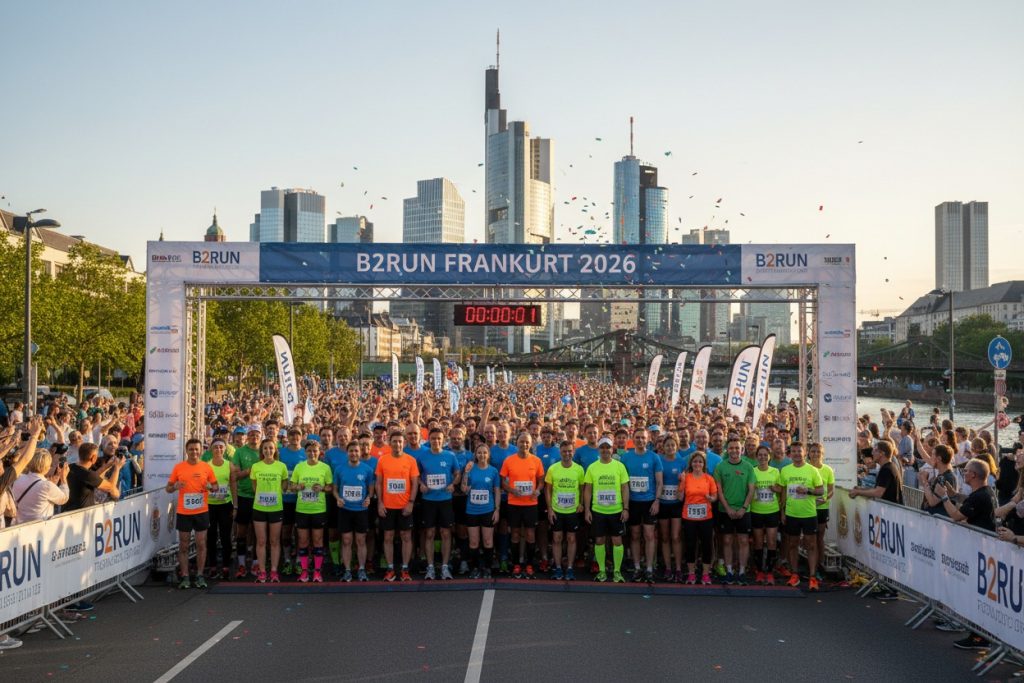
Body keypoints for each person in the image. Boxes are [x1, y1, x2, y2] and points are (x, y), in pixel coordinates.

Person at [936, 458, 997, 651]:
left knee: (979, 595)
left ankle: (980, 636)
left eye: (966, 471)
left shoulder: (980, 495)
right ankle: (977, 633)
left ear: (974, 475)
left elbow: (956, 516)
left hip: (982, 552)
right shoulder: (983, 492)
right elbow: (970, 503)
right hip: (980, 551)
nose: (963, 473)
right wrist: (956, 495)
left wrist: (944, 497)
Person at [166, 438, 219, 589]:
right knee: (184, 545)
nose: (194, 452)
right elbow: (168, 488)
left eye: (197, 449)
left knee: (201, 544)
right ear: (186, 451)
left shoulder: (206, 468)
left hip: (201, 512)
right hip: (184, 512)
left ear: (201, 451)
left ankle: (200, 575)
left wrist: (211, 486)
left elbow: (216, 486)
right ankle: (185, 576)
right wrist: (175, 486)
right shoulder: (179, 467)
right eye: (191, 449)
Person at [778, 442, 825, 591]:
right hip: (792, 514)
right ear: (790, 454)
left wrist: (808, 491)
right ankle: (795, 574)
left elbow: (820, 491)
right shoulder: (785, 471)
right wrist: (782, 511)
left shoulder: (812, 470)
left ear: (804, 453)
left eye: (799, 451)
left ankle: (812, 577)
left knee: (811, 545)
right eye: (794, 451)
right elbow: (783, 491)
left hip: (809, 514)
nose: (797, 454)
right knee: (792, 544)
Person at [583, 437, 630, 583]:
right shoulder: (592, 467)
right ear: (599, 449)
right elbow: (588, 490)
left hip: (616, 510)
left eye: (607, 447)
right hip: (598, 510)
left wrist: (626, 508)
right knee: (599, 541)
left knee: (617, 541)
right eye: (602, 447)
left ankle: (616, 571)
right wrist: (587, 510)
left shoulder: (619, 466)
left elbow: (624, 488)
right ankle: (602, 571)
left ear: (612, 449)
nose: (605, 450)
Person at [416, 428, 460, 580]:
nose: (436, 441)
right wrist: (421, 484)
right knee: (429, 533)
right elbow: (416, 476)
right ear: (429, 439)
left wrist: (453, 484)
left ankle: (445, 567)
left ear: (443, 439)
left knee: (446, 533)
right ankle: (430, 567)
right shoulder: (422, 456)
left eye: (439, 438)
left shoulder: (450, 455)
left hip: (445, 500)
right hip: (428, 501)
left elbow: (457, 474)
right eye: (433, 438)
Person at [375, 432, 420, 582]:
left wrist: (411, 503)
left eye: (400, 442)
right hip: (387, 506)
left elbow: (414, 484)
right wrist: (380, 503)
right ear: (389, 442)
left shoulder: (411, 460)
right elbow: (379, 483)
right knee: (387, 537)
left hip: (405, 506)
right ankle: (390, 569)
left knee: (406, 537)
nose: (397, 444)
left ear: (404, 443)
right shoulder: (382, 460)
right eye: (394, 441)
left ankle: (405, 569)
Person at [500, 432, 545, 578]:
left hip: (531, 504)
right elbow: (502, 481)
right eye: (521, 442)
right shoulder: (509, 460)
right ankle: (516, 564)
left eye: (527, 442)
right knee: (515, 534)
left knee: (531, 534)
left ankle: (530, 564)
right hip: (514, 503)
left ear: (531, 444)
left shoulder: (536, 461)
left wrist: (538, 490)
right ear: (517, 442)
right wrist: (512, 490)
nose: (524, 444)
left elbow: (541, 480)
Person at [622, 428, 663, 582]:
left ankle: (649, 569)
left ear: (647, 440)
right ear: (632, 439)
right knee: (634, 535)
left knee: (649, 535)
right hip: (632, 502)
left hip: (649, 502)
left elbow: (659, 482)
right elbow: (623, 483)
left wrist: (657, 500)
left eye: (643, 438)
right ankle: (637, 567)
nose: (640, 440)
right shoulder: (626, 457)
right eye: (637, 437)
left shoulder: (654, 457)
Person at [713, 437, 756, 585]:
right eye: (731, 448)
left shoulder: (748, 467)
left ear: (741, 449)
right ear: (727, 449)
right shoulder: (720, 467)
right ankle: (729, 570)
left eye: (737, 448)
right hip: (725, 511)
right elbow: (719, 491)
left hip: (744, 510)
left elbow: (751, 490)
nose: (734, 451)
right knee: (727, 540)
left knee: (743, 541)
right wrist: (728, 508)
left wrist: (744, 508)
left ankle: (742, 572)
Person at [290, 439, 333, 583]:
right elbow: (291, 485)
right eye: (309, 451)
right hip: (302, 509)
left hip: (318, 510)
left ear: (319, 452)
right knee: (303, 541)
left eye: (315, 451)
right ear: (305, 452)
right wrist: (297, 487)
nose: (312, 453)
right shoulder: (299, 467)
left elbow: (330, 487)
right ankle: (304, 571)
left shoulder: (325, 468)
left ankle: (317, 572)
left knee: (317, 541)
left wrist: (322, 488)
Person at [334, 440, 375, 582]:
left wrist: (369, 498)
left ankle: (362, 569)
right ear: (347, 453)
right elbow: (334, 488)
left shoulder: (367, 470)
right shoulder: (339, 469)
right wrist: (338, 498)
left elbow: (371, 490)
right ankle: (347, 571)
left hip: (361, 510)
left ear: (360, 452)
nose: (354, 453)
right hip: (345, 509)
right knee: (346, 541)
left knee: (361, 540)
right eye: (351, 451)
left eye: (356, 451)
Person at [545, 439, 585, 580]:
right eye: (564, 451)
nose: (567, 454)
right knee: (556, 539)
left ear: (573, 452)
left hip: (573, 511)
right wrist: (550, 509)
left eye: (569, 451)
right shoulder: (553, 469)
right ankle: (557, 567)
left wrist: (581, 503)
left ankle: (569, 568)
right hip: (557, 510)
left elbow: (582, 488)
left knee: (571, 538)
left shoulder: (579, 469)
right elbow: (548, 490)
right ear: (560, 452)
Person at [251, 438, 289, 583]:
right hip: (259, 508)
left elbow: (285, 482)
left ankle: (273, 571)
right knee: (261, 541)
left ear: (275, 450)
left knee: (274, 541)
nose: (268, 451)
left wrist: (279, 491)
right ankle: (262, 571)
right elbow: (254, 485)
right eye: (265, 448)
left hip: (276, 508)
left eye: (271, 448)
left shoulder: (281, 466)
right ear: (262, 451)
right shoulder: (256, 466)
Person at [462, 444, 501, 578]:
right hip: (472, 511)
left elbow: (497, 491)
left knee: (488, 541)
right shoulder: (470, 469)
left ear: (488, 455)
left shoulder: (493, 471)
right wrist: (466, 473)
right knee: (473, 542)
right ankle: (474, 568)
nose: (482, 455)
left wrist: (497, 510)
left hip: (488, 510)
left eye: (484, 453)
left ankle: (487, 568)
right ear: (476, 455)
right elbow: (463, 489)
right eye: (479, 453)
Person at [230, 426, 263, 578]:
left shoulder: (265, 450)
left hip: (261, 497)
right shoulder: (240, 452)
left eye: (256, 434)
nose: (254, 437)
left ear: (260, 435)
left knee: (258, 533)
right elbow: (234, 476)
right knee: (241, 532)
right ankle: (242, 564)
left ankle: (256, 563)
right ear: (247, 437)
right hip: (244, 496)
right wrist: (250, 471)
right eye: (251, 434)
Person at [203, 438, 235, 580]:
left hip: (225, 505)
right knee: (210, 536)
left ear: (225, 449)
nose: (218, 450)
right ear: (211, 449)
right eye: (216, 447)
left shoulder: (230, 465)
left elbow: (234, 486)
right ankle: (213, 566)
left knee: (225, 536)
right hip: (210, 506)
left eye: (221, 447)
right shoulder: (206, 466)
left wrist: (236, 506)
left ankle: (226, 566)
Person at [750, 445, 782, 584]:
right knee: (757, 542)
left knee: (771, 541)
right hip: (756, 511)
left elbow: (781, 488)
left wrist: (775, 488)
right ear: (756, 456)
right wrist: (754, 488)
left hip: (772, 511)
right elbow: (747, 488)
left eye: (765, 455)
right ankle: (759, 571)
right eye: (760, 455)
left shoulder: (775, 471)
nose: (762, 457)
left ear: (769, 457)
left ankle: (769, 571)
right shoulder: (752, 471)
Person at [657, 435, 685, 582]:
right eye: (667, 445)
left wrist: (683, 484)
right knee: (665, 537)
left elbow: (687, 482)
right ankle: (668, 567)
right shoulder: (659, 460)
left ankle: (678, 568)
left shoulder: (682, 462)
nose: (670, 448)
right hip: (662, 504)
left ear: (677, 446)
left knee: (676, 536)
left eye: (673, 445)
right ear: (663, 447)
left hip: (676, 504)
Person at [65, 441, 123, 512]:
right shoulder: (88, 474)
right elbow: (111, 487)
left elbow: (94, 478)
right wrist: (117, 468)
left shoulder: (70, 467)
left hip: (66, 512)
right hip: (81, 515)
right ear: (94, 458)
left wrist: (107, 465)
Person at [807, 442, 835, 580]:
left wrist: (825, 499)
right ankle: (810, 566)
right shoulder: (805, 468)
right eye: (813, 451)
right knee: (808, 539)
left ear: (822, 454)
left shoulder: (828, 470)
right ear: (808, 453)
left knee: (819, 538)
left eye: (818, 452)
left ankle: (819, 565)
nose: (816, 454)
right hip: (806, 508)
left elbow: (831, 491)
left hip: (822, 509)